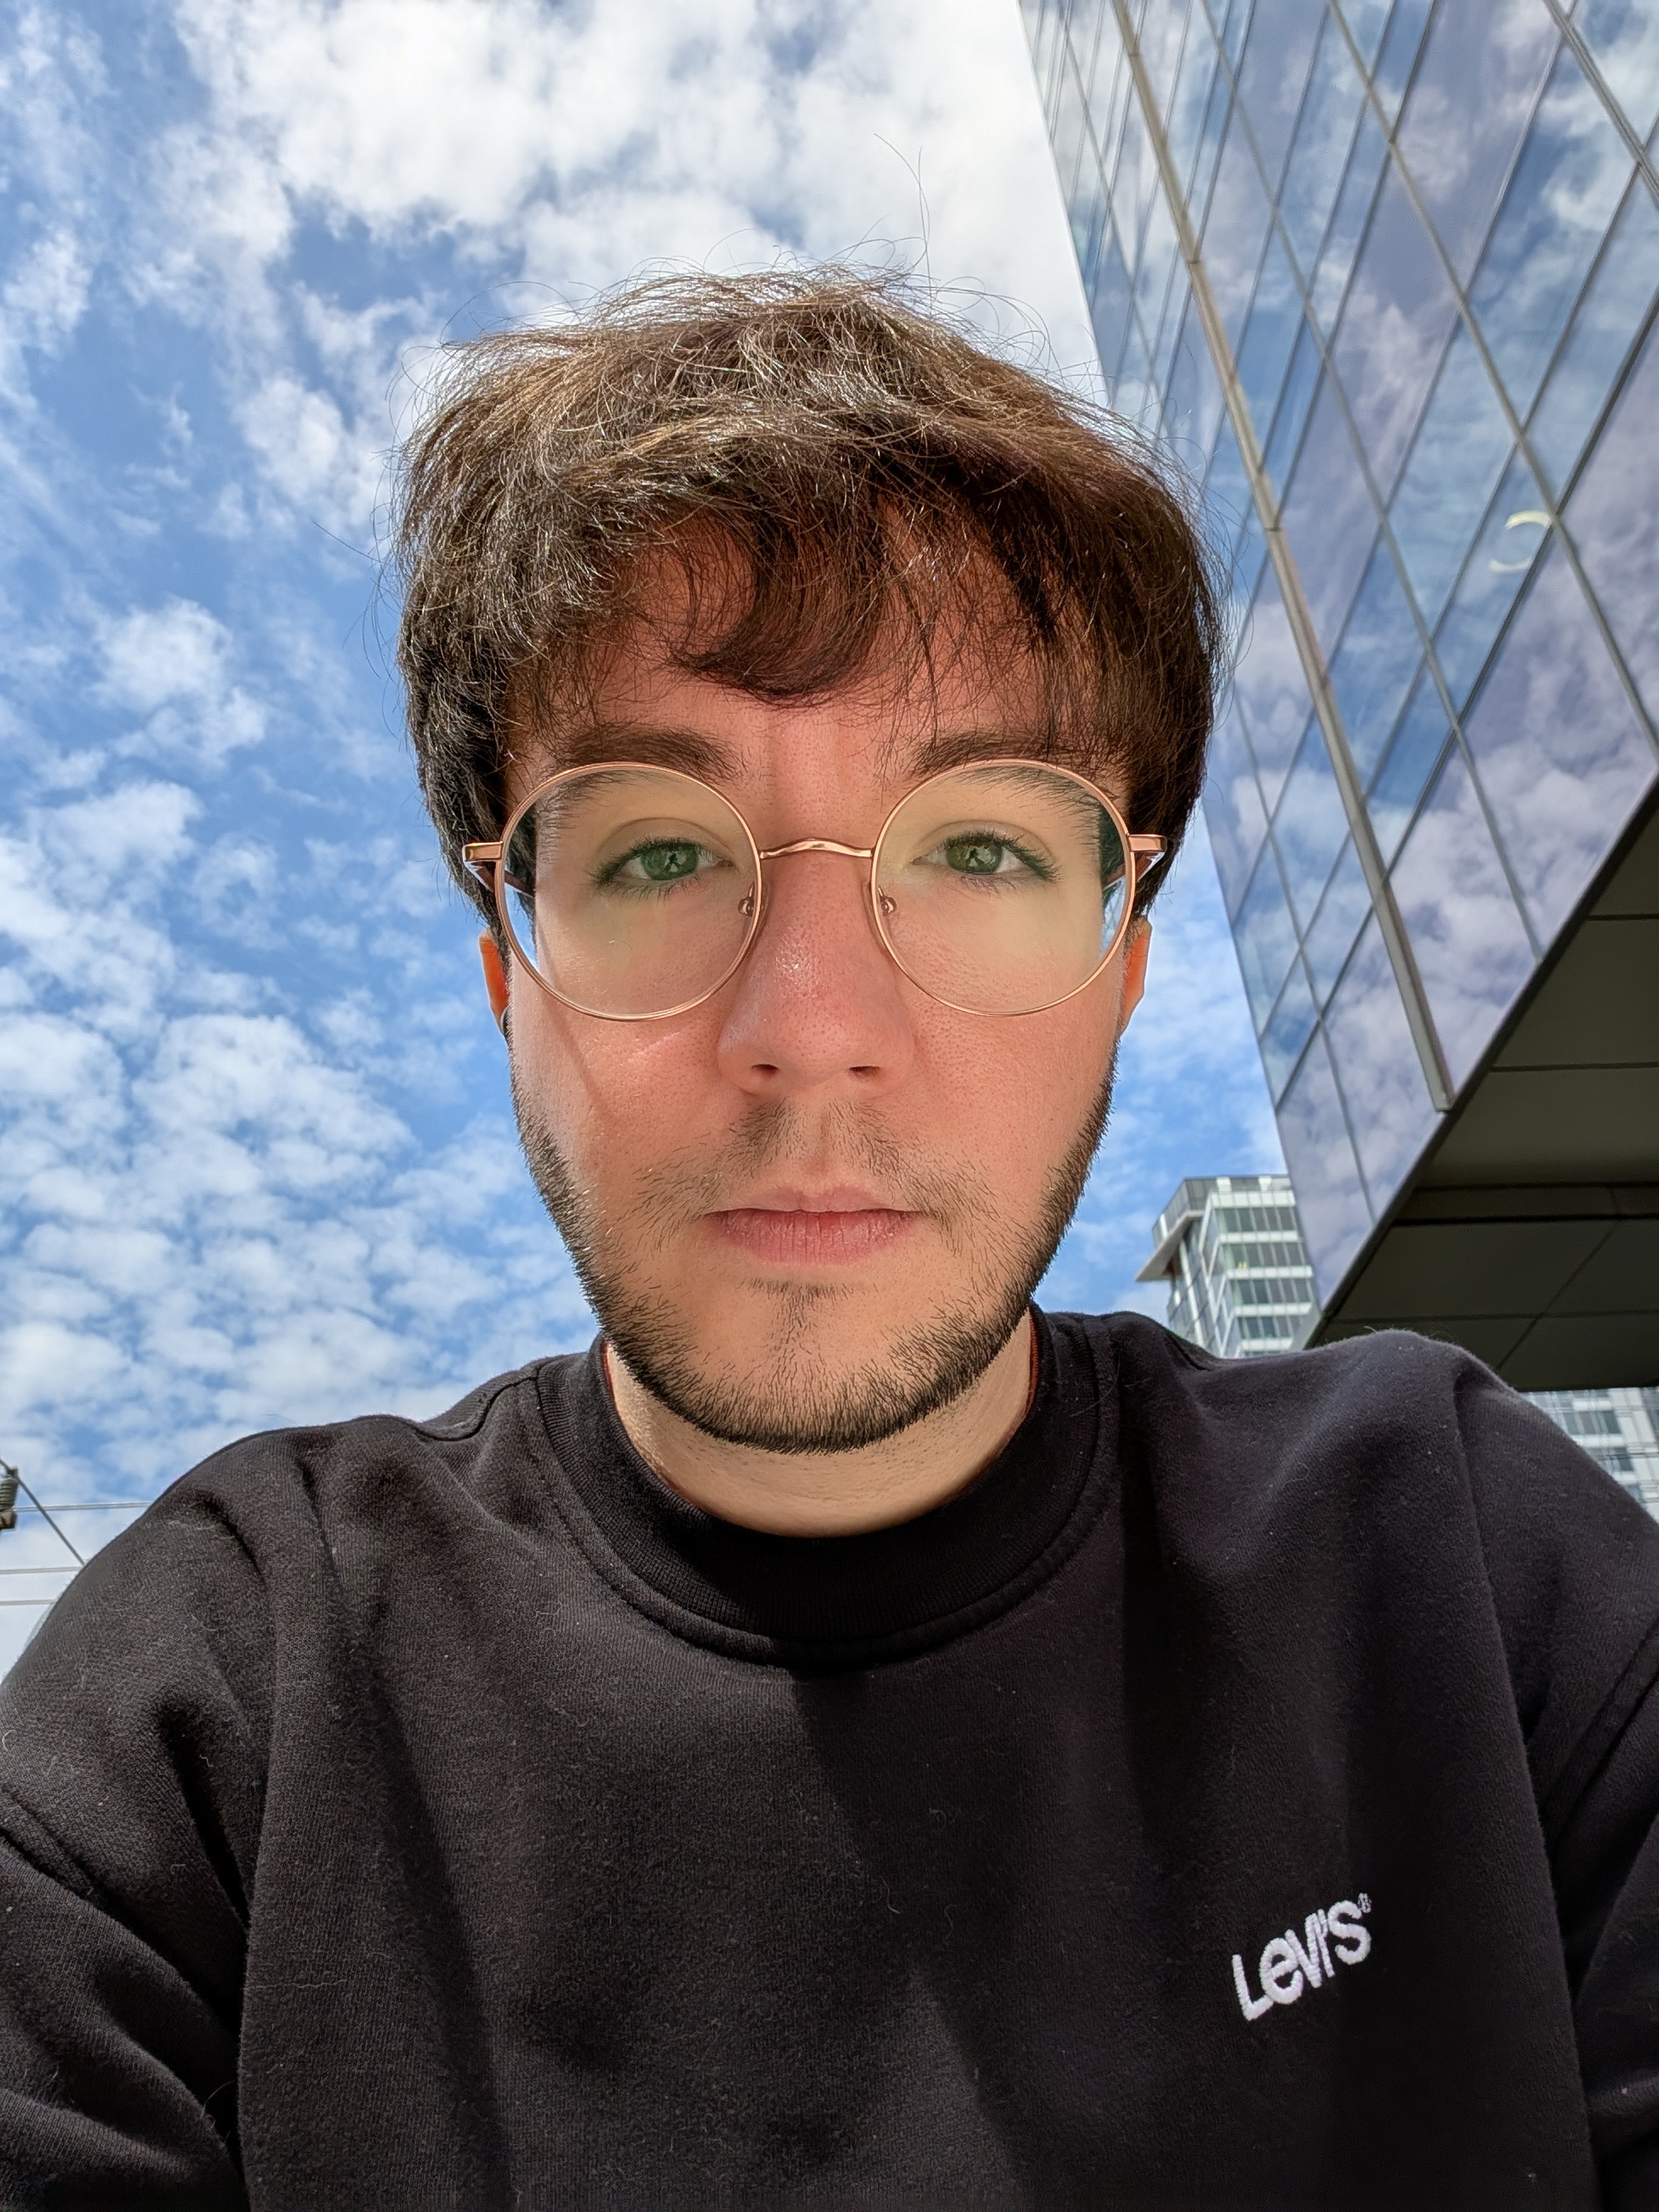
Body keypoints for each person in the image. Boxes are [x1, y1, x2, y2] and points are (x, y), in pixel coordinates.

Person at [1, 270, 1655, 2212]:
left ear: (1125, 966)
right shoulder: (225, 1705)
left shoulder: (1462, 1567)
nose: (809, 1022)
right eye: (656, 851)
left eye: (981, 848)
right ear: (507, 976)